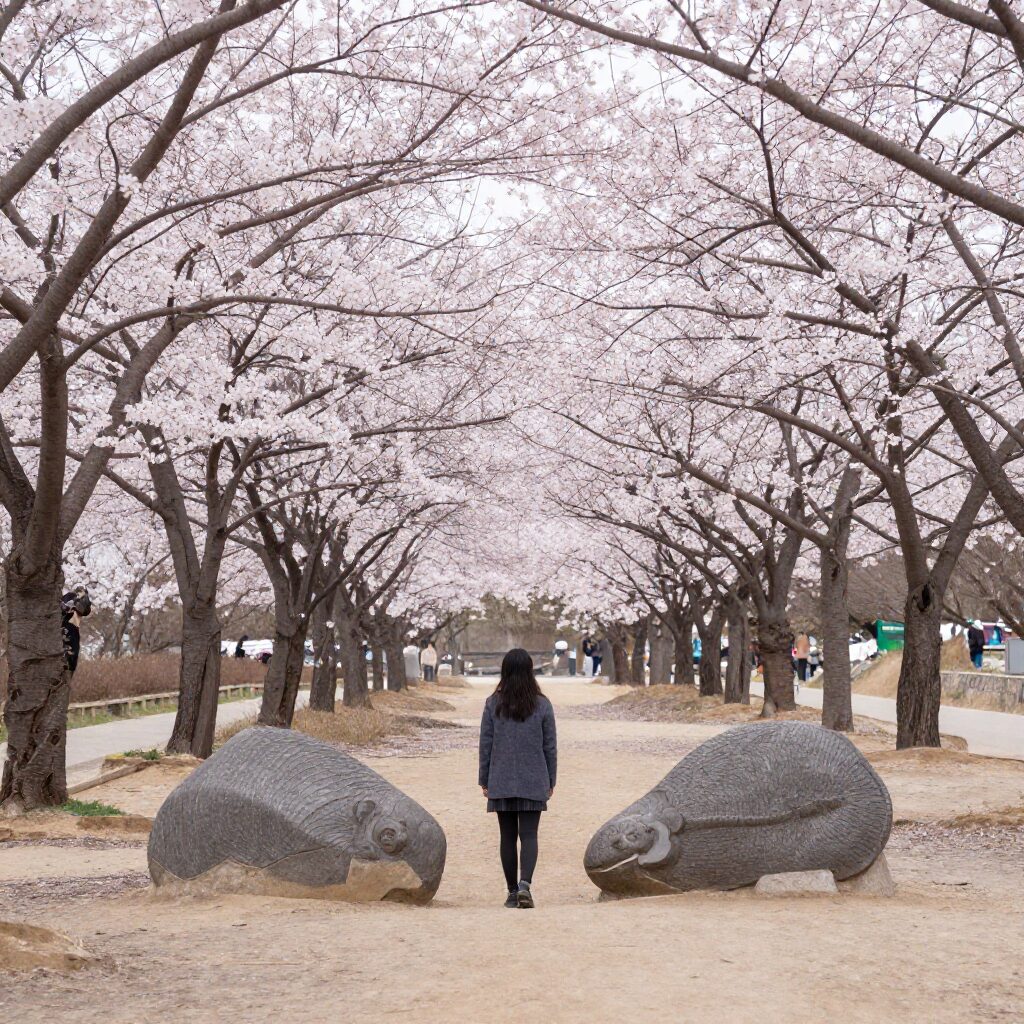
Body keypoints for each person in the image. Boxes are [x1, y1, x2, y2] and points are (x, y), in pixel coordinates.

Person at [478, 648, 557, 909]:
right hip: (534, 777)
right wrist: (551, 779)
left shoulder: (493, 703)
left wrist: (484, 779)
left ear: (505, 671)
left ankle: (512, 892)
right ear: (530, 671)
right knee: (530, 835)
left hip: (501, 777)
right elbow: (550, 746)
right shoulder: (542, 704)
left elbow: (486, 744)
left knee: (507, 837)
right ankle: (525, 885)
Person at [61, 587, 92, 674]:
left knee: (72, 661)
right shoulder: (70, 597)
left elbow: (86, 610)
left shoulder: (81, 605)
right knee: (70, 660)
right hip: (69, 627)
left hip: (72, 628)